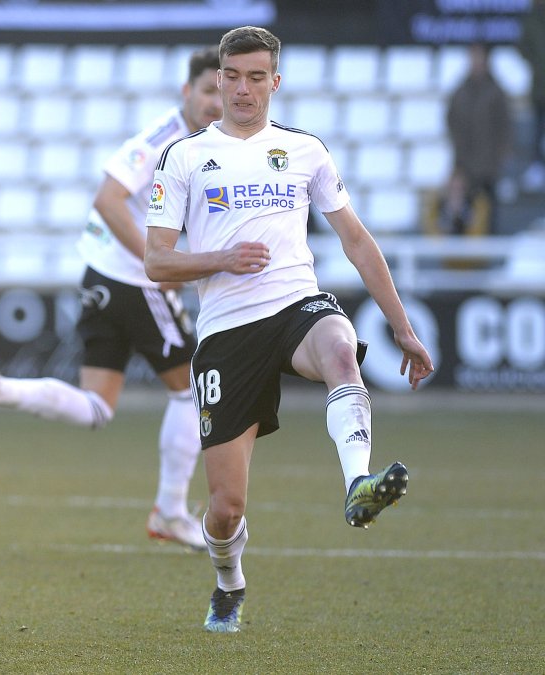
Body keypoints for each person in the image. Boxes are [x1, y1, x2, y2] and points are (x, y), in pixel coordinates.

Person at [142, 26, 434, 633]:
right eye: (233, 77)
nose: (244, 89)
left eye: (256, 77)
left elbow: (356, 240)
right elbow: (156, 261)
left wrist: (402, 328)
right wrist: (221, 258)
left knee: (339, 352)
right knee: (225, 509)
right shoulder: (186, 157)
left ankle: (358, 483)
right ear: (218, 80)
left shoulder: (305, 150)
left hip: (294, 301)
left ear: (275, 82)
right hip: (225, 331)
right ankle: (229, 582)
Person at [0, 47, 223, 552]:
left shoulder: (205, 143)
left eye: (224, 92)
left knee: (96, 407)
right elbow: (107, 199)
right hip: (135, 282)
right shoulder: (164, 139)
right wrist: (158, 262)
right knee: (193, 391)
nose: (216, 102)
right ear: (187, 92)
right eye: (208, 91)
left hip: (99, 278)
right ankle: (171, 512)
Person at [437, 42, 513, 236]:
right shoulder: (460, 92)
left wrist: (498, 157)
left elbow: (505, 127)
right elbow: (451, 120)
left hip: (488, 167)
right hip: (465, 164)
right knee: (463, 213)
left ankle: (488, 257)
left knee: (488, 215)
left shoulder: (496, 92)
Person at [517, 0, 545, 192]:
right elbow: (522, 46)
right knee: (538, 130)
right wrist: (537, 62)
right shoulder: (531, 19)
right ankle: (538, 166)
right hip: (540, 87)